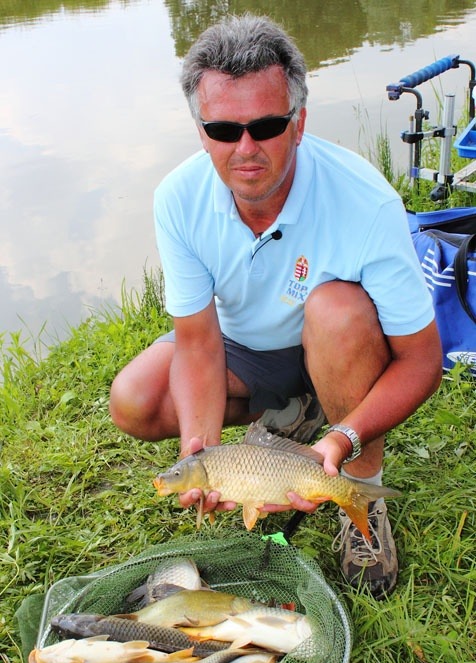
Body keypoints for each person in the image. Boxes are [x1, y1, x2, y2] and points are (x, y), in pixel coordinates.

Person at [109, 14, 442, 599]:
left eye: (265, 125)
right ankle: (291, 416)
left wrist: (344, 441)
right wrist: (201, 451)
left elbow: (422, 360)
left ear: (298, 121)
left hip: (337, 342)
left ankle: (358, 497)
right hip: (246, 351)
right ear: (200, 129)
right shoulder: (178, 199)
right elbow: (197, 343)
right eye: (223, 129)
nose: (246, 149)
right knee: (134, 400)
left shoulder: (366, 201)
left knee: (337, 311)